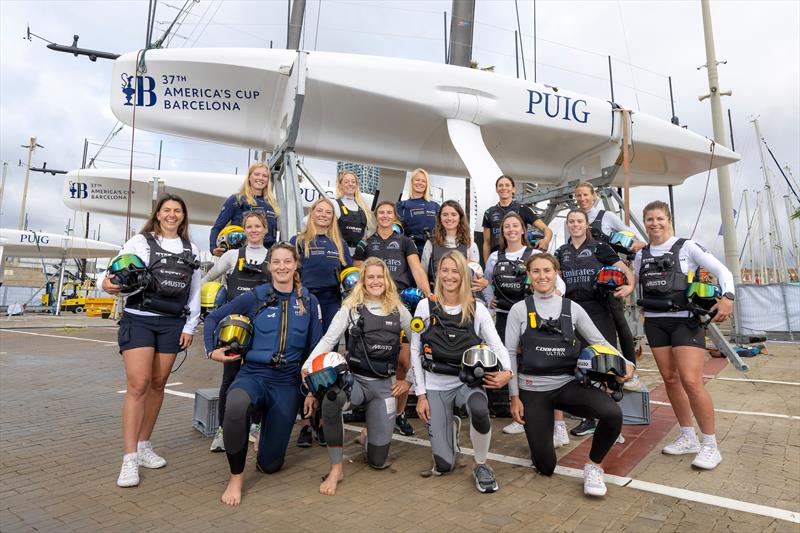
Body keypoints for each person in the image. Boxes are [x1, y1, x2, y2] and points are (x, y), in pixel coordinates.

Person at [505, 253, 635, 497]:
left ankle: (594, 466)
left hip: (567, 385)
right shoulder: (518, 310)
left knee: (612, 413)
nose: (542, 276)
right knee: (546, 467)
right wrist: (514, 397)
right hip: (533, 390)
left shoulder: (573, 308)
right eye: (536, 271)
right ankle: (540, 446)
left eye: (547, 270)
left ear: (556, 273)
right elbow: (510, 354)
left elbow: (599, 341)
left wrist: (626, 362)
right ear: (529, 275)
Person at [204, 243, 323, 506]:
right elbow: (213, 319)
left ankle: (264, 439)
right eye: (276, 262)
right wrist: (211, 351)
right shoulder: (256, 296)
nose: (282, 267)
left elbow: (316, 349)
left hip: (287, 382)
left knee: (270, 465)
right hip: (254, 374)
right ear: (269, 266)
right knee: (235, 406)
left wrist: (312, 391)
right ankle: (236, 478)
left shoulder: (309, 301)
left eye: (287, 262)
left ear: (295, 265)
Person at [102, 194, 202, 488]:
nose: (172, 215)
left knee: (158, 384)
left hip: (172, 323)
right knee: (138, 384)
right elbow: (110, 276)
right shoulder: (140, 242)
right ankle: (129, 458)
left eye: (177, 211)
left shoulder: (191, 249)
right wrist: (107, 285)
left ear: (183, 217)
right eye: (166, 210)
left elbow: (194, 292)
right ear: (157, 214)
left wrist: (190, 326)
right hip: (140, 318)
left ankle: (144, 445)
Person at [634, 201, 734, 470]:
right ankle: (687, 436)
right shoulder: (640, 255)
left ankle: (710, 445)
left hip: (684, 322)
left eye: (659, 219)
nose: (655, 224)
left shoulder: (687, 247)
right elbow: (636, 285)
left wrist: (727, 297)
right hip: (655, 323)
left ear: (669, 220)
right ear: (645, 223)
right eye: (649, 220)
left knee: (691, 381)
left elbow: (723, 270)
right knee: (670, 379)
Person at [305, 257, 413, 496]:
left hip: (384, 388)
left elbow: (420, 344)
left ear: (387, 280)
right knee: (331, 400)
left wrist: (409, 380)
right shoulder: (350, 308)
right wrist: (307, 366)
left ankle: (368, 436)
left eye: (379, 277)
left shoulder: (400, 310)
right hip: (355, 383)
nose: (375, 281)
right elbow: (328, 340)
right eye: (370, 277)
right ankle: (336, 468)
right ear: (363, 281)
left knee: (377, 461)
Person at [411, 251, 512, 494]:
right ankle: (450, 429)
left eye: (455, 271)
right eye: (444, 270)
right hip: (436, 383)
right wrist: (421, 395)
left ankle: (482, 465)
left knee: (479, 409)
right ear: (438, 274)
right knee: (445, 465)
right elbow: (415, 350)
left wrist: (507, 371)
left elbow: (497, 345)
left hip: (466, 382)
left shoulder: (476, 308)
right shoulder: (425, 306)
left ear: (464, 276)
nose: (449, 276)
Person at [483, 212, 566, 437]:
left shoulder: (535, 254)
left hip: (531, 319)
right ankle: (520, 417)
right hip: (504, 317)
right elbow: (485, 281)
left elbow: (559, 284)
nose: (510, 230)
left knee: (544, 367)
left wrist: (554, 297)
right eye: (506, 226)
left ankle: (558, 425)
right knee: (512, 367)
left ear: (523, 230)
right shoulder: (494, 257)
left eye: (515, 226)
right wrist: (489, 296)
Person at [555, 209, 636, 438]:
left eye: (579, 221)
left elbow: (626, 271)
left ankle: (612, 422)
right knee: (581, 366)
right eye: (571, 221)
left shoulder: (601, 247)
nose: (575, 225)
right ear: (568, 225)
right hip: (573, 311)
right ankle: (589, 419)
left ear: (586, 224)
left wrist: (628, 287)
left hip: (599, 309)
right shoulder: (562, 251)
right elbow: (556, 280)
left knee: (606, 365)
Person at [354, 201, 432, 436]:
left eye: (389, 212)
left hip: (402, 305)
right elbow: (358, 276)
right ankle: (376, 415)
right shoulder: (365, 243)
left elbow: (417, 270)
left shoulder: (405, 241)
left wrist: (428, 295)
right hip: (374, 306)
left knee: (404, 361)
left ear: (395, 216)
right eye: (381, 213)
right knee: (377, 358)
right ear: (376, 216)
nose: (385, 216)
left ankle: (398, 414)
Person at [202, 212, 271, 453]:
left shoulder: (272, 257)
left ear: (265, 229)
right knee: (229, 380)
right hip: (234, 330)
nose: (253, 230)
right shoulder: (232, 256)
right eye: (249, 227)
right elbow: (207, 279)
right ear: (244, 231)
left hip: (262, 329)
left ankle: (255, 425)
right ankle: (222, 430)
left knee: (259, 379)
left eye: (257, 226)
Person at [572, 181, 644, 389]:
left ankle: (631, 370)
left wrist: (619, 249)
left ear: (593, 196)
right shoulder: (574, 221)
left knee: (620, 323)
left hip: (610, 281)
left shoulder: (607, 217)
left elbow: (636, 241)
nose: (582, 199)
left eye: (586, 195)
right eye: (579, 196)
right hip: (586, 284)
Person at [210, 162, 279, 256]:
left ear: (268, 180)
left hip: (267, 255)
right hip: (241, 254)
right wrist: (213, 248)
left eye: (265, 176)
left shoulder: (272, 204)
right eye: (257, 174)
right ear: (249, 177)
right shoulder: (236, 200)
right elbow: (217, 227)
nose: (260, 178)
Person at [421, 200, 487, 296]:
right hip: (437, 298)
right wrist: (428, 295)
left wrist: (482, 283)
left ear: (460, 217)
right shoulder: (430, 243)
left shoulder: (470, 245)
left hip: (463, 298)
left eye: (453, 214)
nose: (449, 218)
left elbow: (477, 278)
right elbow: (422, 274)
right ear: (440, 218)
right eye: (445, 214)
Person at [482, 175, 552, 262]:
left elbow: (546, 229)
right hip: (497, 259)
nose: (504, 188)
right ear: (496, 189)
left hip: (520, 258)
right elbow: (487, 243)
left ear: (513, 189)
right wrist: (487, 266)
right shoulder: (489, 212)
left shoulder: (523, 209)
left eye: (507, 185)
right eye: (500, 185)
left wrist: (546, 240)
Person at [396, 168, 440, 254]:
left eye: (423, 181)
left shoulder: (435, 206)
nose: (420, 183)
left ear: (427, 184)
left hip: (432, 250)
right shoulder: (401, 206)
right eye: (417, 180)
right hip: (410, 251)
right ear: (412, 182)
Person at [334, 170, 374, 254]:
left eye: (353, 182)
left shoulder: (363, 208)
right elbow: (306, 221)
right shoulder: (335, 204)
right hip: (339, 254)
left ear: (356, 185)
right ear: (340, 185)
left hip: (358, 256)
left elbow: (366, 235)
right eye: (346, 182)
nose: (350, 184)